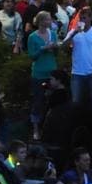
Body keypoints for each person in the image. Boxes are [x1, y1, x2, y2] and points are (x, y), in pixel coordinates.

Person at [65, 6, 92, 118]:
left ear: (90, 18)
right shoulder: (74, 32)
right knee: (76, 102)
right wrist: (74, 33)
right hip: (77, 73)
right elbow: (64, 46)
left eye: (84, 18)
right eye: (81, 18)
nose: (82, 20)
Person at [27, 10, 59, 140]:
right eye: (48, 19)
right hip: (38, 73)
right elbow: (32, 56)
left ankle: (50, 127)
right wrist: (43, 49)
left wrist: (55, 48)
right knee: (38, 101)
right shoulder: (32, 37)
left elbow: (56, 54)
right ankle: (35, 129)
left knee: (53, 101)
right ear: (41, 21)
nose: (50, 21)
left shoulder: (53, 34)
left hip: (52, 71)